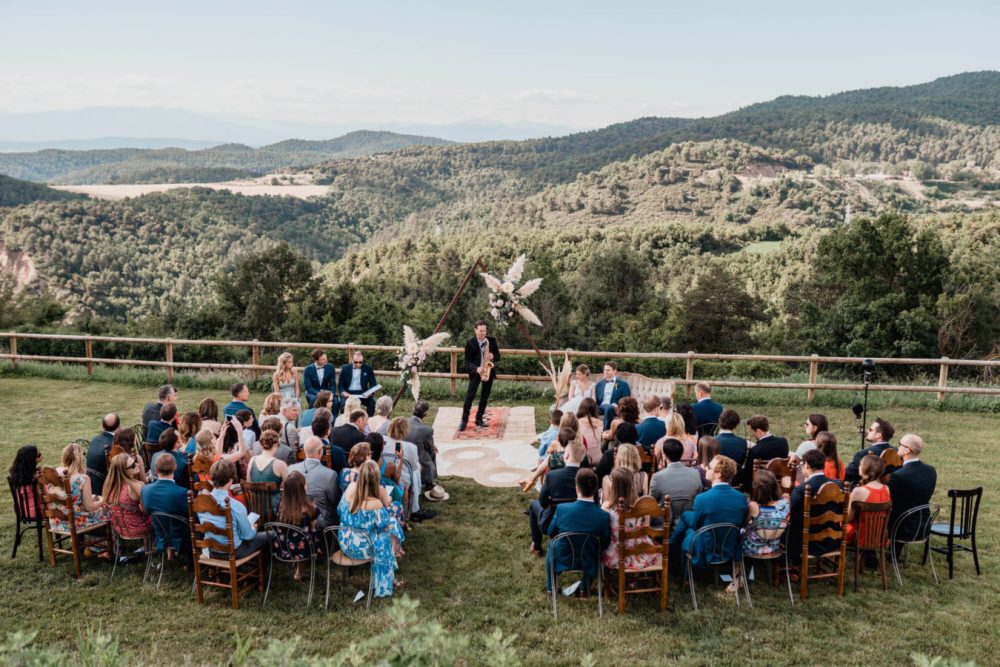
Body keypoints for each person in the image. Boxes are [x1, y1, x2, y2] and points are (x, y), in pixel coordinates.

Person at [338, 460, 404, 597]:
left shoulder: (350, 488)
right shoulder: (375, 503)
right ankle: (387, 576)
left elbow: (339, 510)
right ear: (376, 479)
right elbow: (383, 526)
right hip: (363, 548)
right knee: (391, 528)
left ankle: (392, 563)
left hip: (345, 542)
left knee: (390, 526)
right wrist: (385, 497)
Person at [669, 455, 747, 572]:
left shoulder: (702, 498)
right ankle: (671, 547)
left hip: (706, 548)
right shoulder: (741, 498)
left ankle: (673, 555)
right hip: (727, 546)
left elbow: (696, 526)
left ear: (718, 474)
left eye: (709, 467)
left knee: (687, 529)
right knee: (686, 517)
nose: (705, 468)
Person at [546, 467, 610, 592]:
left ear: (577, 489)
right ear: (596, 490)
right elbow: (605, 542)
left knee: (551, 546)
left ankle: (551, 588)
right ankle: (584, 588)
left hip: (563, 557)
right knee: (595, 548)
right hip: (590, 560)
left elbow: (550, 532)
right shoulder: (604, 516)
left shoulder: (562, 509)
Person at [199, 460, 269, 559]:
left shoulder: (200, 502)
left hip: (212, 550)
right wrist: (253, 528)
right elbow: (247, 536)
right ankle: (264, 569)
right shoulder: (236, 506)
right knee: (271, 535)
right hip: (234, 552)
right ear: (231, 479)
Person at [529, 441, 585, 557]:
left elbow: (542, 503)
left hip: (554, 525)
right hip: (581, 522)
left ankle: (537, 546)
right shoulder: (589, 476)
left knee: (533, 505)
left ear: (566, 456)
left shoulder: (552, 476)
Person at [787, 448, 842, 565]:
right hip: (832, 540)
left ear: (807, 465)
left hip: (808, 543)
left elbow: (793, 517)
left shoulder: (802, 490)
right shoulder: (839, 486)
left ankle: (791, 563)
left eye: (802, 464)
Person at [601, 467, 659, 571]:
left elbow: (603, 531)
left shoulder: (607, 508)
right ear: (632, 486)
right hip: (641, 551)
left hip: (618, 555)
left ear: (614, 487)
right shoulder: (642, 506)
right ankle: (633, 580)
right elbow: (646, 527)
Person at [45, 442, 108, 532]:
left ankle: (85, 542)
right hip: (74, 523)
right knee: (107, 508)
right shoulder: (83, 479)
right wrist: (103, 502)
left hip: (55, 522)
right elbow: (89, 507)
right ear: (80, 459)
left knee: (93, 499)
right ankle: (100, 544)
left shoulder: (52, 475)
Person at [886, 433, 937, 543]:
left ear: (907, 451)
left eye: (900, 444)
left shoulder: (898, 476)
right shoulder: (931, 471)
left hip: (900, 528)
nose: (897, 446)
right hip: (923, 526)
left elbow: (888, 501)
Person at [272, 471, 320, 580]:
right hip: (303, 550)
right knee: (311, 532)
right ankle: (299, 571)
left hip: (282, 547)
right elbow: (313, 527)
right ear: (301, 489)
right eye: (305, 484)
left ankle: (298, 569)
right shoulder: (310, 509)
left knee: (298, 536)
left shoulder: (279, 506)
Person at [140, 453, 190, 556]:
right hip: (182, 539)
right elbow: (191, 516)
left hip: (160, 536)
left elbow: (145, 510)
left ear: (156, 470)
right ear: (175, 468)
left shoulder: (145, 490)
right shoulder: (182, 492)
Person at [288, 436, 342, 529]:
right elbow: (334, 501)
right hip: (320, 520)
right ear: (320, 451)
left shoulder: (290, 469)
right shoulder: (330, 474)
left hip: (293, 516)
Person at [384, 417, 432, 521]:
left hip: (384, 475)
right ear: (405, 431)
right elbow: (414, 467)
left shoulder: (383, 441)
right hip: (401, 479)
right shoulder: (410, 447)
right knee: (416, 469)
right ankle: (413, 507)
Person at [460, 320, 501, 431]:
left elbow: (498, 356)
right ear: (475, 330)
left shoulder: (491, 341)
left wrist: (493, 356)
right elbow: (467, 363)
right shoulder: (470, 343)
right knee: (470, 396)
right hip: (476, 372)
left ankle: (479, 418)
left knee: (484, 396)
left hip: (488, 371)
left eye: (484, 330)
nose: (483, 333)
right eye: (481, 330)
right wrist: (477, 369)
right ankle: (464, 421)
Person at [103, 453, 151, 542]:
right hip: (141, 528)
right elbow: (146, 510)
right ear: (124, 471)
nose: (138, 464)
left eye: (135, 462)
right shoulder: (136, 486)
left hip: (120, 530)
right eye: (133, 465)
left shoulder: (109, 487)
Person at [649, 438, 703, 518]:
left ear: (664, 455)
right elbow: (698, 496)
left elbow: (651, 502)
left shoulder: (657, 477)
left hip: (663, 523)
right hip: (689, 519)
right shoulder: (695, 473)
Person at [742, 469, 790, 558]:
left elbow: (744, 524)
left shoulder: (753, 506)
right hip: (774, 546)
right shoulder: (785, 503)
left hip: (753, 547)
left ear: (757, 489)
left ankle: (738, 567)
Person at [844, 454, 890, 543]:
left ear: (866, 468)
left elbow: (848, 518)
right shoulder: (886, 489)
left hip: (861, 535)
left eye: (861, 464)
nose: (859, 466)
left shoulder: (858, 491)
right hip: (879, 534)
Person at [845, 417, 897, 485]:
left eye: (870, 429)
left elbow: (848, 475)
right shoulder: (897, 452)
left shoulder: (863, 454)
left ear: (878, 435)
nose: (867, 431)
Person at [742, 415, 789, 490]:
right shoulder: (783, 442)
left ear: (758, 431)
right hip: (780, 485)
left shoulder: (755, 450)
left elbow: (748, 476)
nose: (752, 435)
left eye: (752, 432)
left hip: (761, 488)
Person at [248, 430, 288, 513]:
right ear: (276, 444)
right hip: (275, 511)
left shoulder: (252, 460)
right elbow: (289, 488)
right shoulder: (280, 464)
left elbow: (249, 483)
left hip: (255, 509)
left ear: (260, 444)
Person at [407, 400, 440, 498]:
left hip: (402, 450)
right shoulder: (427, 430)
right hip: (415, 454)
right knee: (431, 454)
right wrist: (432, 449)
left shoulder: (403, 421)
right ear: (425, 414)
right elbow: (430, 449)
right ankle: (428, 481)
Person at [339, 350, 378, 416]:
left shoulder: (368, 369)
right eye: (356, 362)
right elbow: (341, 384)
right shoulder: (345, 368)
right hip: (349, 393)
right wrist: (343, 392)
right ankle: (345, 421)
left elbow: (373, 384)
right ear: (352, 360)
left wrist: (370, 393)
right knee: (343, 405)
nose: (358, 364)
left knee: (372, 404)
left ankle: (367, 421)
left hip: (363, 394)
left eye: (360, 362)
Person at [594, 361, 631, 431]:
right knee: (589, 409)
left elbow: (627, 400)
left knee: (609, 409)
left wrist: (618, 405)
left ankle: (606, 432)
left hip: (615, 408)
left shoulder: (623, 384)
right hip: (601, 407)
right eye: (605, 370)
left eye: (608, 370)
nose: (605, 372)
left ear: (615, 371)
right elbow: (595, 399)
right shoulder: (599, 384)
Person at [87, 413, 119, 490]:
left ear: (102, 426)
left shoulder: (94, 439)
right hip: (105, 487)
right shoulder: (115, 444)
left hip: (89, 483)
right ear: (118, 427)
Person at [9, 445, 42, 520]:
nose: (41, 456)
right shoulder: (34, 479)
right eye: (38, 455)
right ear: (31, 459)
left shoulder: (21, 476)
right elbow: (42, 496)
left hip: (22, 510)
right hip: (37, 511)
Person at [575, 399, 604, 463]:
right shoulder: (601, 422)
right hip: (598, 458)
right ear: (595, 409)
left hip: (582, 459)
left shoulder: (577, 422)